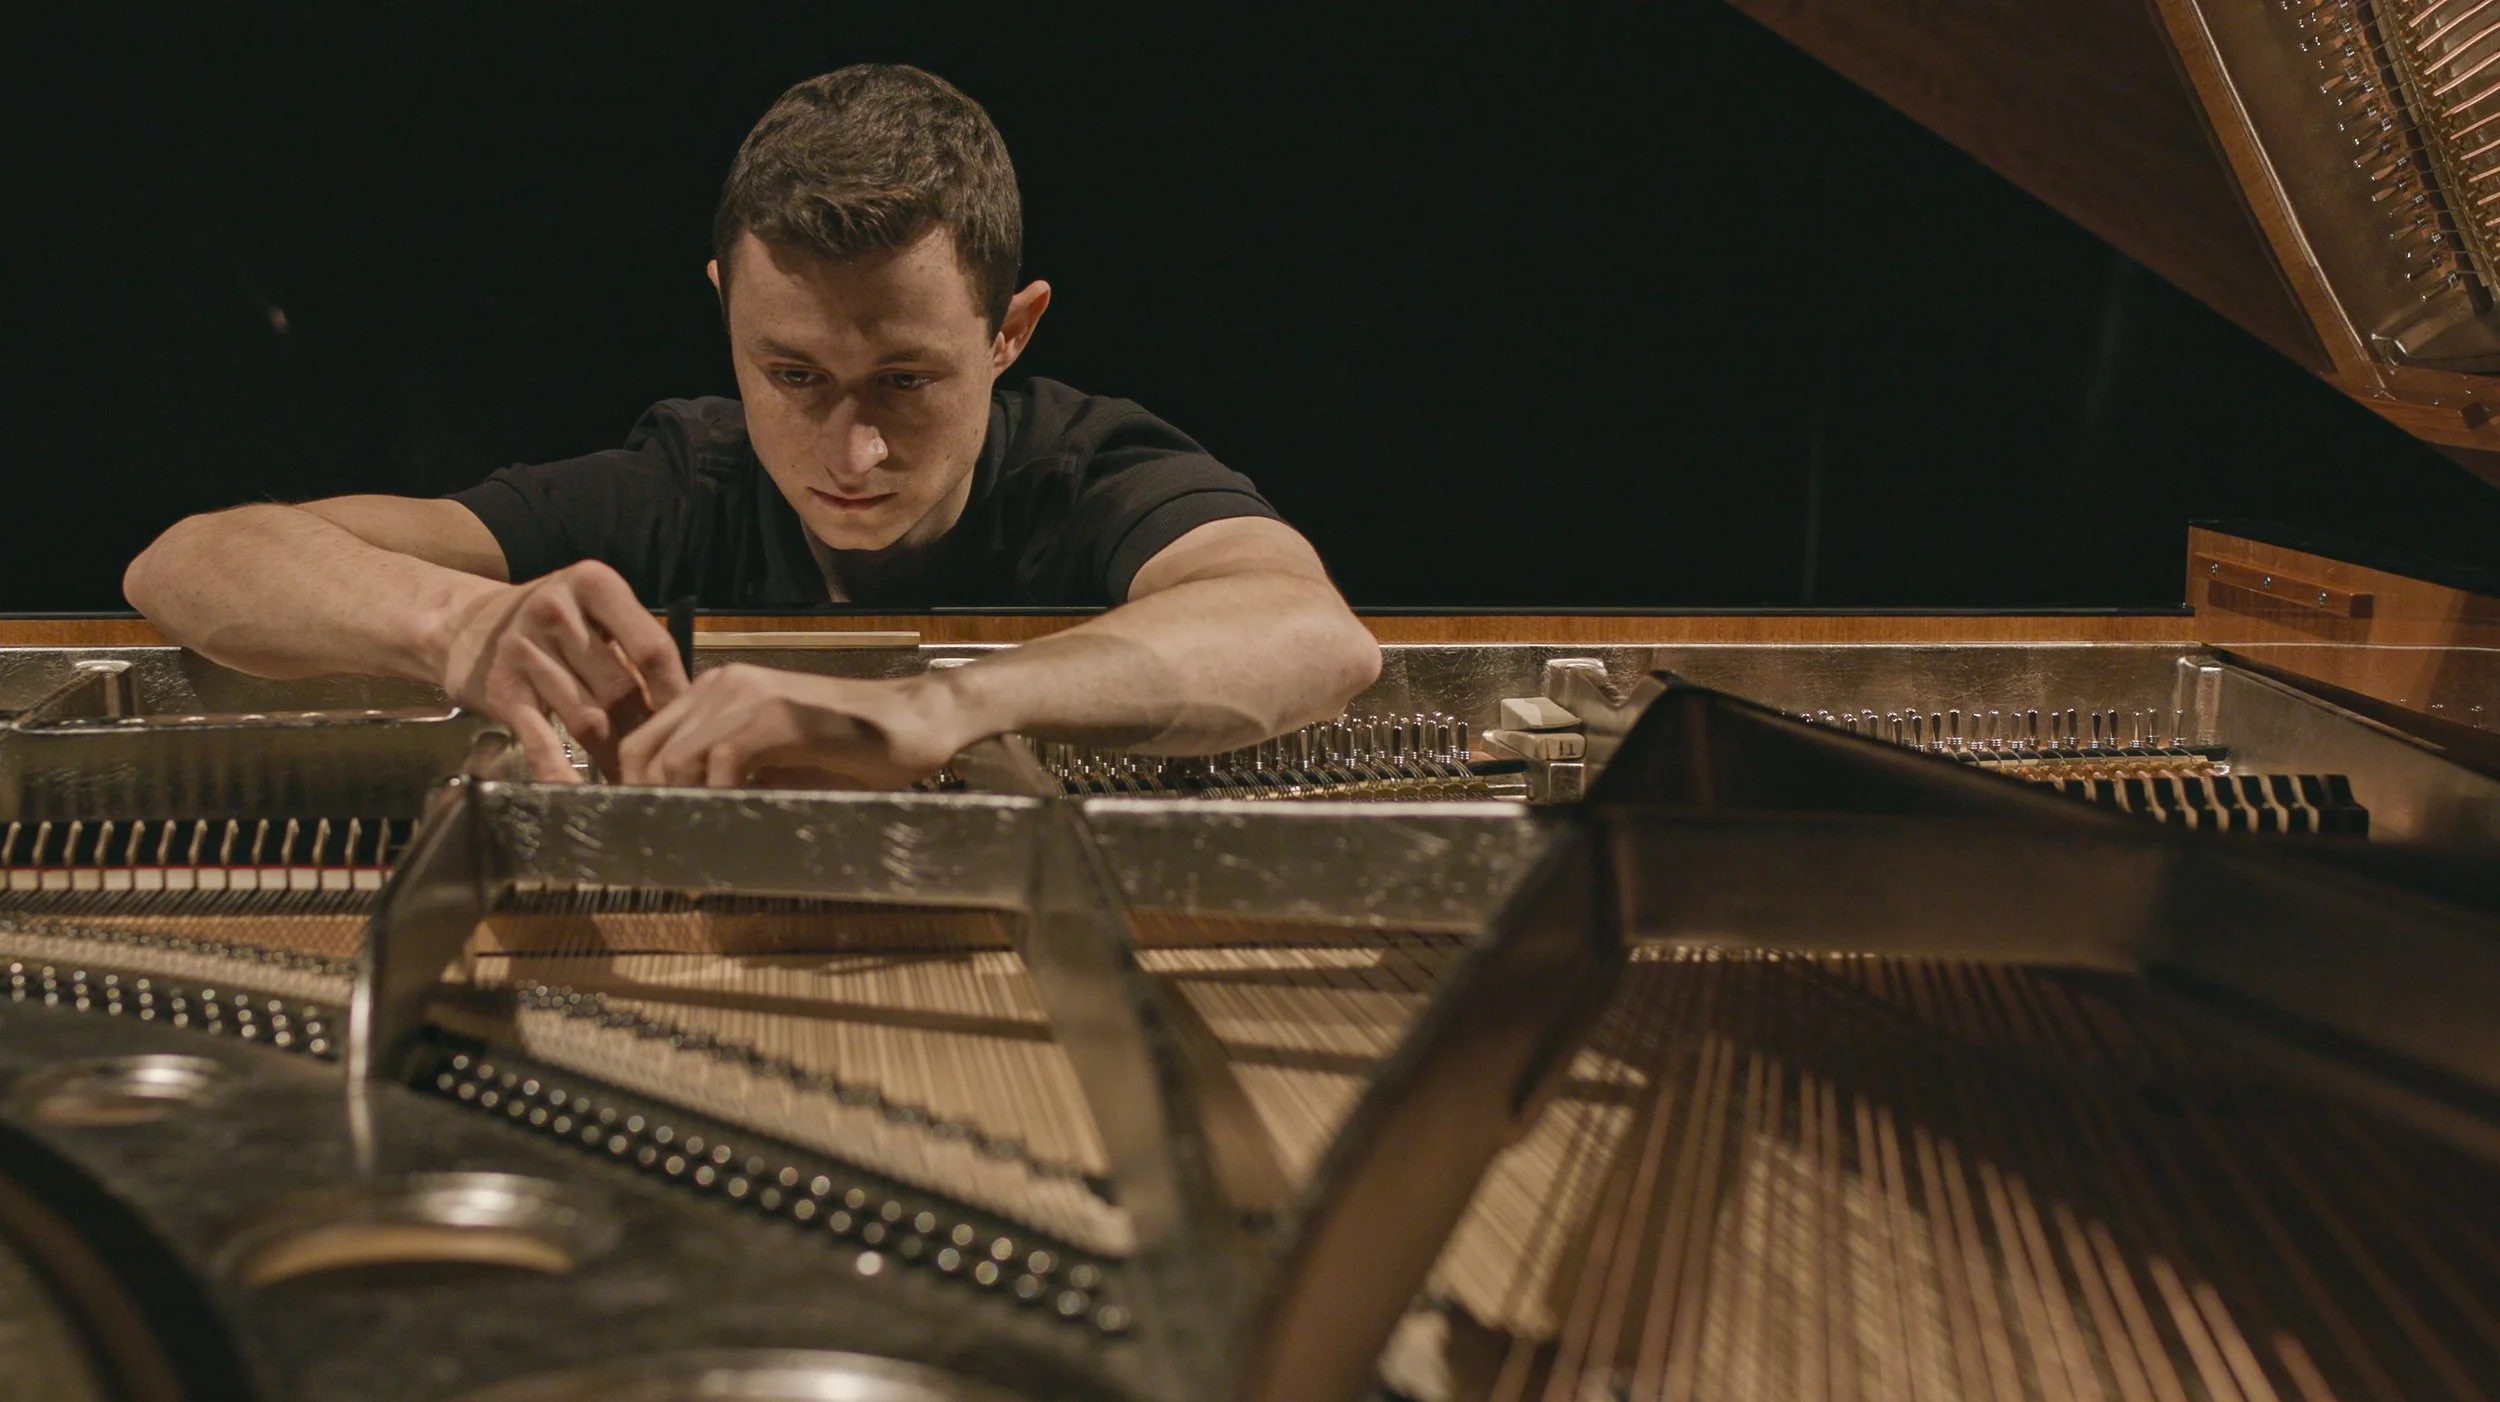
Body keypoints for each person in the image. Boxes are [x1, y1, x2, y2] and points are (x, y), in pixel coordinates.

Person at [124, 64, 1380, 787]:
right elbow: (187, 560)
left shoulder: (1088, 464)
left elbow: (1310, 634)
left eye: (906, 381)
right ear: (724, 307)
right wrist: (457, 624)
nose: (851, 457)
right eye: (790, 375)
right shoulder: (680, 479)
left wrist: (929, 709)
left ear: (1012, 331)